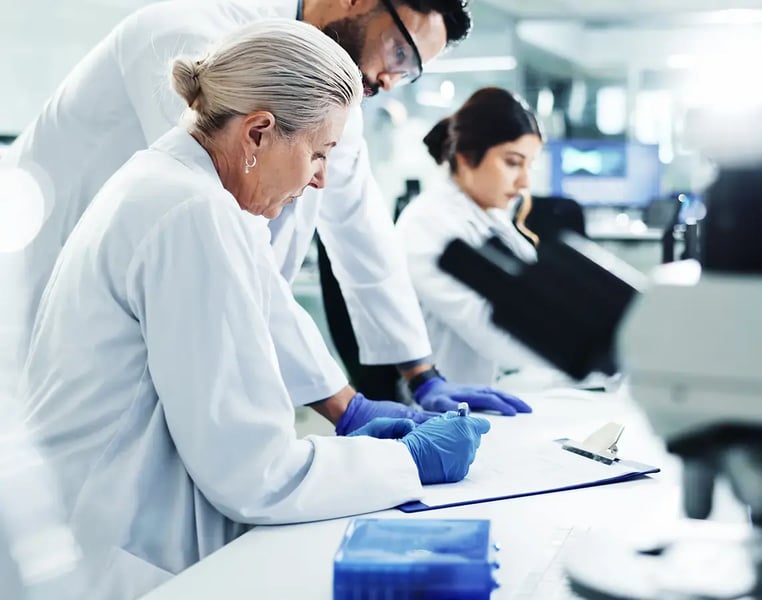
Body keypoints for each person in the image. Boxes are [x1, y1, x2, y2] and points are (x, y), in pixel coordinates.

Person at [19, 21, 491, 599]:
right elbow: (254, 475)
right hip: (113, 561)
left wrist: (354, 413)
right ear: (259, 132)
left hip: (102, 533)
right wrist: (405, 463)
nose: (320, 179)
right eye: (319, 154)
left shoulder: (180, 190)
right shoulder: (191, 213)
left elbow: (264, 307)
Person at [0, 0, 531, 424]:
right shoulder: (194, 37)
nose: (393, 80)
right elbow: (226, 239)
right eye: (399, 53)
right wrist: (345, 405)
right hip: (37, 307)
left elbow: (360, 231)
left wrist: (422, 374)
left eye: (410, 72)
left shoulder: (331, 100)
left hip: (143, 332)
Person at [396, 87, 577, 389]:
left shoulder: (492, 217)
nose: (524, 182)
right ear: (467, 157)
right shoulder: (426, 224)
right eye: (512, 162)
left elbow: (543, 304)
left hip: (515, 386)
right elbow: (497, 333)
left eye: (528, 165)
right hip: (457, 407)